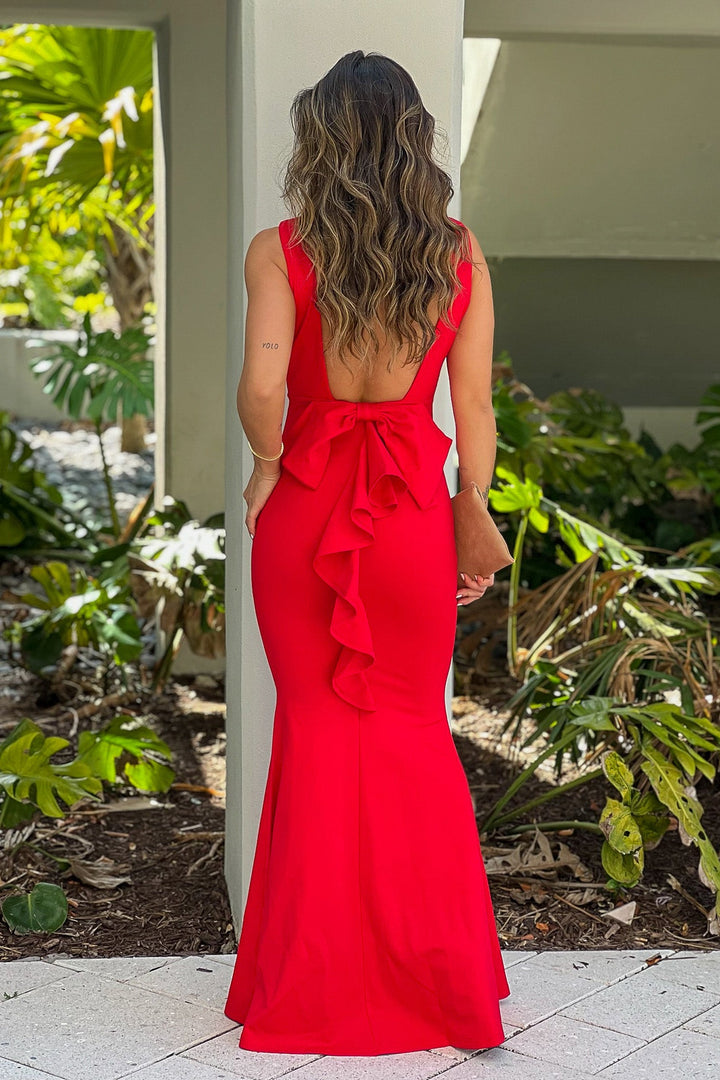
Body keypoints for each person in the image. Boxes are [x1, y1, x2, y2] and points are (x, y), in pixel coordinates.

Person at [223, 49, 510, 1057]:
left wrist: (267, 465)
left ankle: (303, 984)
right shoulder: (458, 252)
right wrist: (473, 511)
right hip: (410, 515)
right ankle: (441, 990)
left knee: (313, 730)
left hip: (309, 503)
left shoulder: (279, 249)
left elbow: (265, 391)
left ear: (321, 140)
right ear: (414, 139)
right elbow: (472, 409)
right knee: (410, 732)